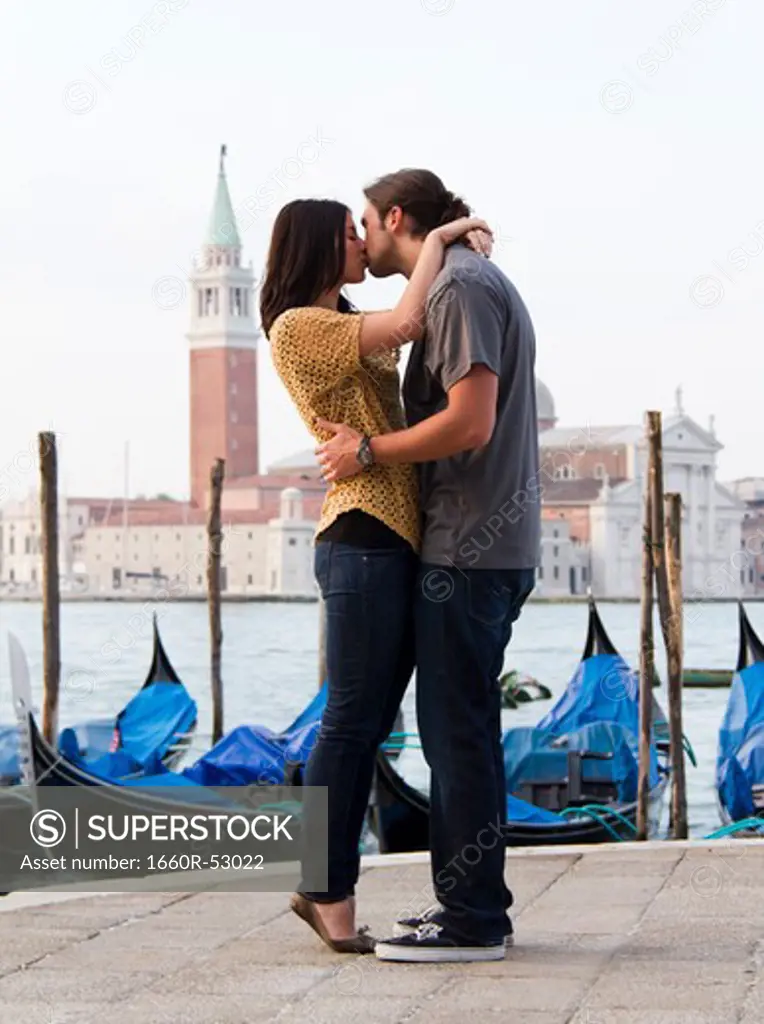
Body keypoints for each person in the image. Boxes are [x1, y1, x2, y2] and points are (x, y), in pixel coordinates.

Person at [315, 168, 541, 963]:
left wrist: (367, 449)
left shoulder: (458, 291)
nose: (362, 238)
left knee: (457, 738)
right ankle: (466, 907)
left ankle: (474, 918)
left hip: (467, 548)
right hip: (476, 546)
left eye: (366, 224)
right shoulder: (459, 280)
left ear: (396, 216)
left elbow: (470, 422)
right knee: (459, 733)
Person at [260, 197, 492, 954]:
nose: (363, 242)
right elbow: (405, 323)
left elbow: (404, 322)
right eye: (350, 234)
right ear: (318, 247)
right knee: (353, 722)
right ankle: (325, 888)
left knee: (365, 722)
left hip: (389, 538)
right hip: (360, 535)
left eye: (366, 229)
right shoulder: (300, 326)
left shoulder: (336, 318)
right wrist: (448, 236)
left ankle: (326, 885)